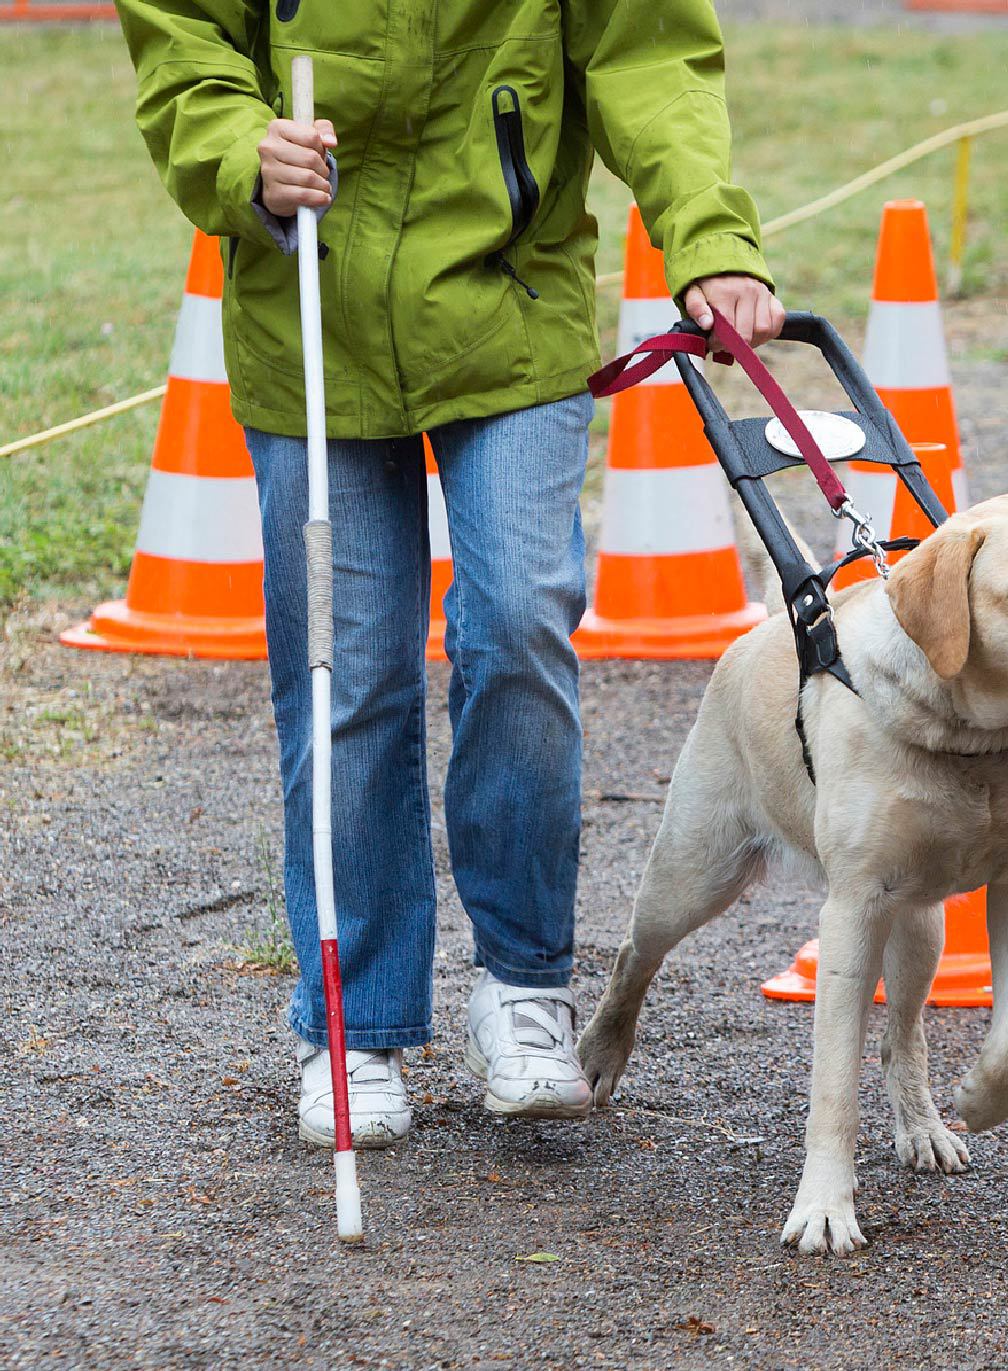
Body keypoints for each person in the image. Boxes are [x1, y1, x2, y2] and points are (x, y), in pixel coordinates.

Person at [116, 0, 783, 1147]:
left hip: (511, 314)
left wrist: (709, 238)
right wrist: (242, 154)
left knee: (521, 618)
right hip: (308, 318)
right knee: (352, 671)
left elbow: (650, 54)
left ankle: (523, 989)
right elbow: (185, 45)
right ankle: (353, 1025)